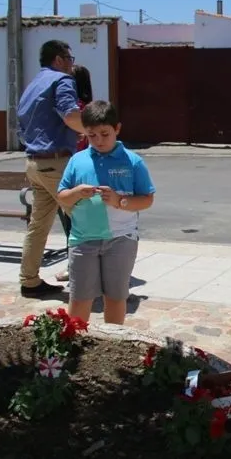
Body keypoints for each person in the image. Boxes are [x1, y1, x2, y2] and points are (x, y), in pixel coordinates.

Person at [56, 100, 155, 325]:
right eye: (92, 136)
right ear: (84, 133)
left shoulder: (132, 161)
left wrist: (120, 201)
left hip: (121, 239)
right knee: (80, 298)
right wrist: (76, 193)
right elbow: (61, 196)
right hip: (83, 239)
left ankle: (113, 345)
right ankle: (74, 345)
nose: (99, 141)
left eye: (104, 134)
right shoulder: (77, 160)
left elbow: (147, 199)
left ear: (117, 129)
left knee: (116, 297)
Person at [17, 40, 85, 298]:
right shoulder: (62, 80)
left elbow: (21, 126)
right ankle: (90, 281)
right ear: (58, 59)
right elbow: (69, 114)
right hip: (56, 163)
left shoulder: (32, 85)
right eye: (69, 58)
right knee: (87, 220)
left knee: (39, 224)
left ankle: (29, 281)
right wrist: (95, 131)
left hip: (35, 163)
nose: (71, 63)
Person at [56, 64, 97, 283]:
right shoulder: (90, 110)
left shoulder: (71, 112)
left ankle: (75, 268)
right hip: (90, 170)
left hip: (73, 172)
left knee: (71, 224)